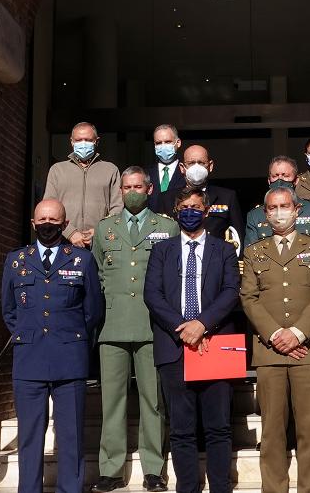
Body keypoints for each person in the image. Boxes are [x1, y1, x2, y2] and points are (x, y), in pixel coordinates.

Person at [1, 199, 104, 493]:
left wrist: (70, 337)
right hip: (29, 358)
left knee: (70, 434)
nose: (47, 224)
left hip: (69, 357)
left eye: (53, 219)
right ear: (33, 224)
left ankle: (70, 489)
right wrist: (28, 333)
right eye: (42, 219)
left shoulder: (82, 260)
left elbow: (92, 309)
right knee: (30, 435)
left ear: (64, 223)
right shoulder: (16, 260)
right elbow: (9, 310)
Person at [143, 186, 241, 493]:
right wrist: (184, 327)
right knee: (182, 430)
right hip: (174, 346)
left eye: (196, 207)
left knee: (218, 427)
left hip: (215, 344)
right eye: (184, 206)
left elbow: (230, 291)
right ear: (175, 212)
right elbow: (152, 295)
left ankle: (220, 488)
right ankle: (187, 488)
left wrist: (202, 324)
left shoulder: (223, 250)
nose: (190, 211)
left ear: (207, 211)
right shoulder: (162, 250)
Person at [240, 187, 310, 493]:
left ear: (297, 210)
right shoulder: (255, 252)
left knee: (309, 431)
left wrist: (296, 333)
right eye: (272, 208)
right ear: (265, 216)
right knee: (272, 433)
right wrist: (275, 334)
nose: (279, 212)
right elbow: (249, 297)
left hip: (309, 349)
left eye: (284, 206)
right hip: (269, 352)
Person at [90, 167, 176, 493]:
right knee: (112, 402)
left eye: (138, 186)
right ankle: (111, 470)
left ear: (149, 188)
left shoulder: (166, 227)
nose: (132, 191)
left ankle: (153, 469)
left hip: (153, 326)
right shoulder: (104, 229)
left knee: (153, 401)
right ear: (120, 191)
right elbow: (98, 274)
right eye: (126, 187)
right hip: (112, 326)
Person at [43, 121, 122, 248]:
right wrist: (70, 233)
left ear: (96, 141)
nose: (83, 143)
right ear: (72, 142)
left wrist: (99, 231)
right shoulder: (57, 170)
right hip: (63, 242)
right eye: (79, 140)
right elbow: (49, 208)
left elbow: (117, 208)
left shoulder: (110, 170)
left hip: (100, 243)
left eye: (88, 139)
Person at [244, 156, 310, 248]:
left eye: (285, 176)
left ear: (296, 180)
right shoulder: (255, 215)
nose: (280, 180)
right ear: (269, 181)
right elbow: (251, 253)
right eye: (275, 176)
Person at [176, 144, 244, 253]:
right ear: (182, 168)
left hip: (216, 261)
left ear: (210, 166)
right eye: (191, 163)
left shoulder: (227, 197)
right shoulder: (167, 198)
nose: (196, 167)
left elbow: (237, 237)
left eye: (201, 163)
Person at [148, 124, 185, 215]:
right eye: (158, 143)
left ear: (178, 143)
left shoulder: (186, 173)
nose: (163, 146)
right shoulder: (146, 174)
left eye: (168, 142)